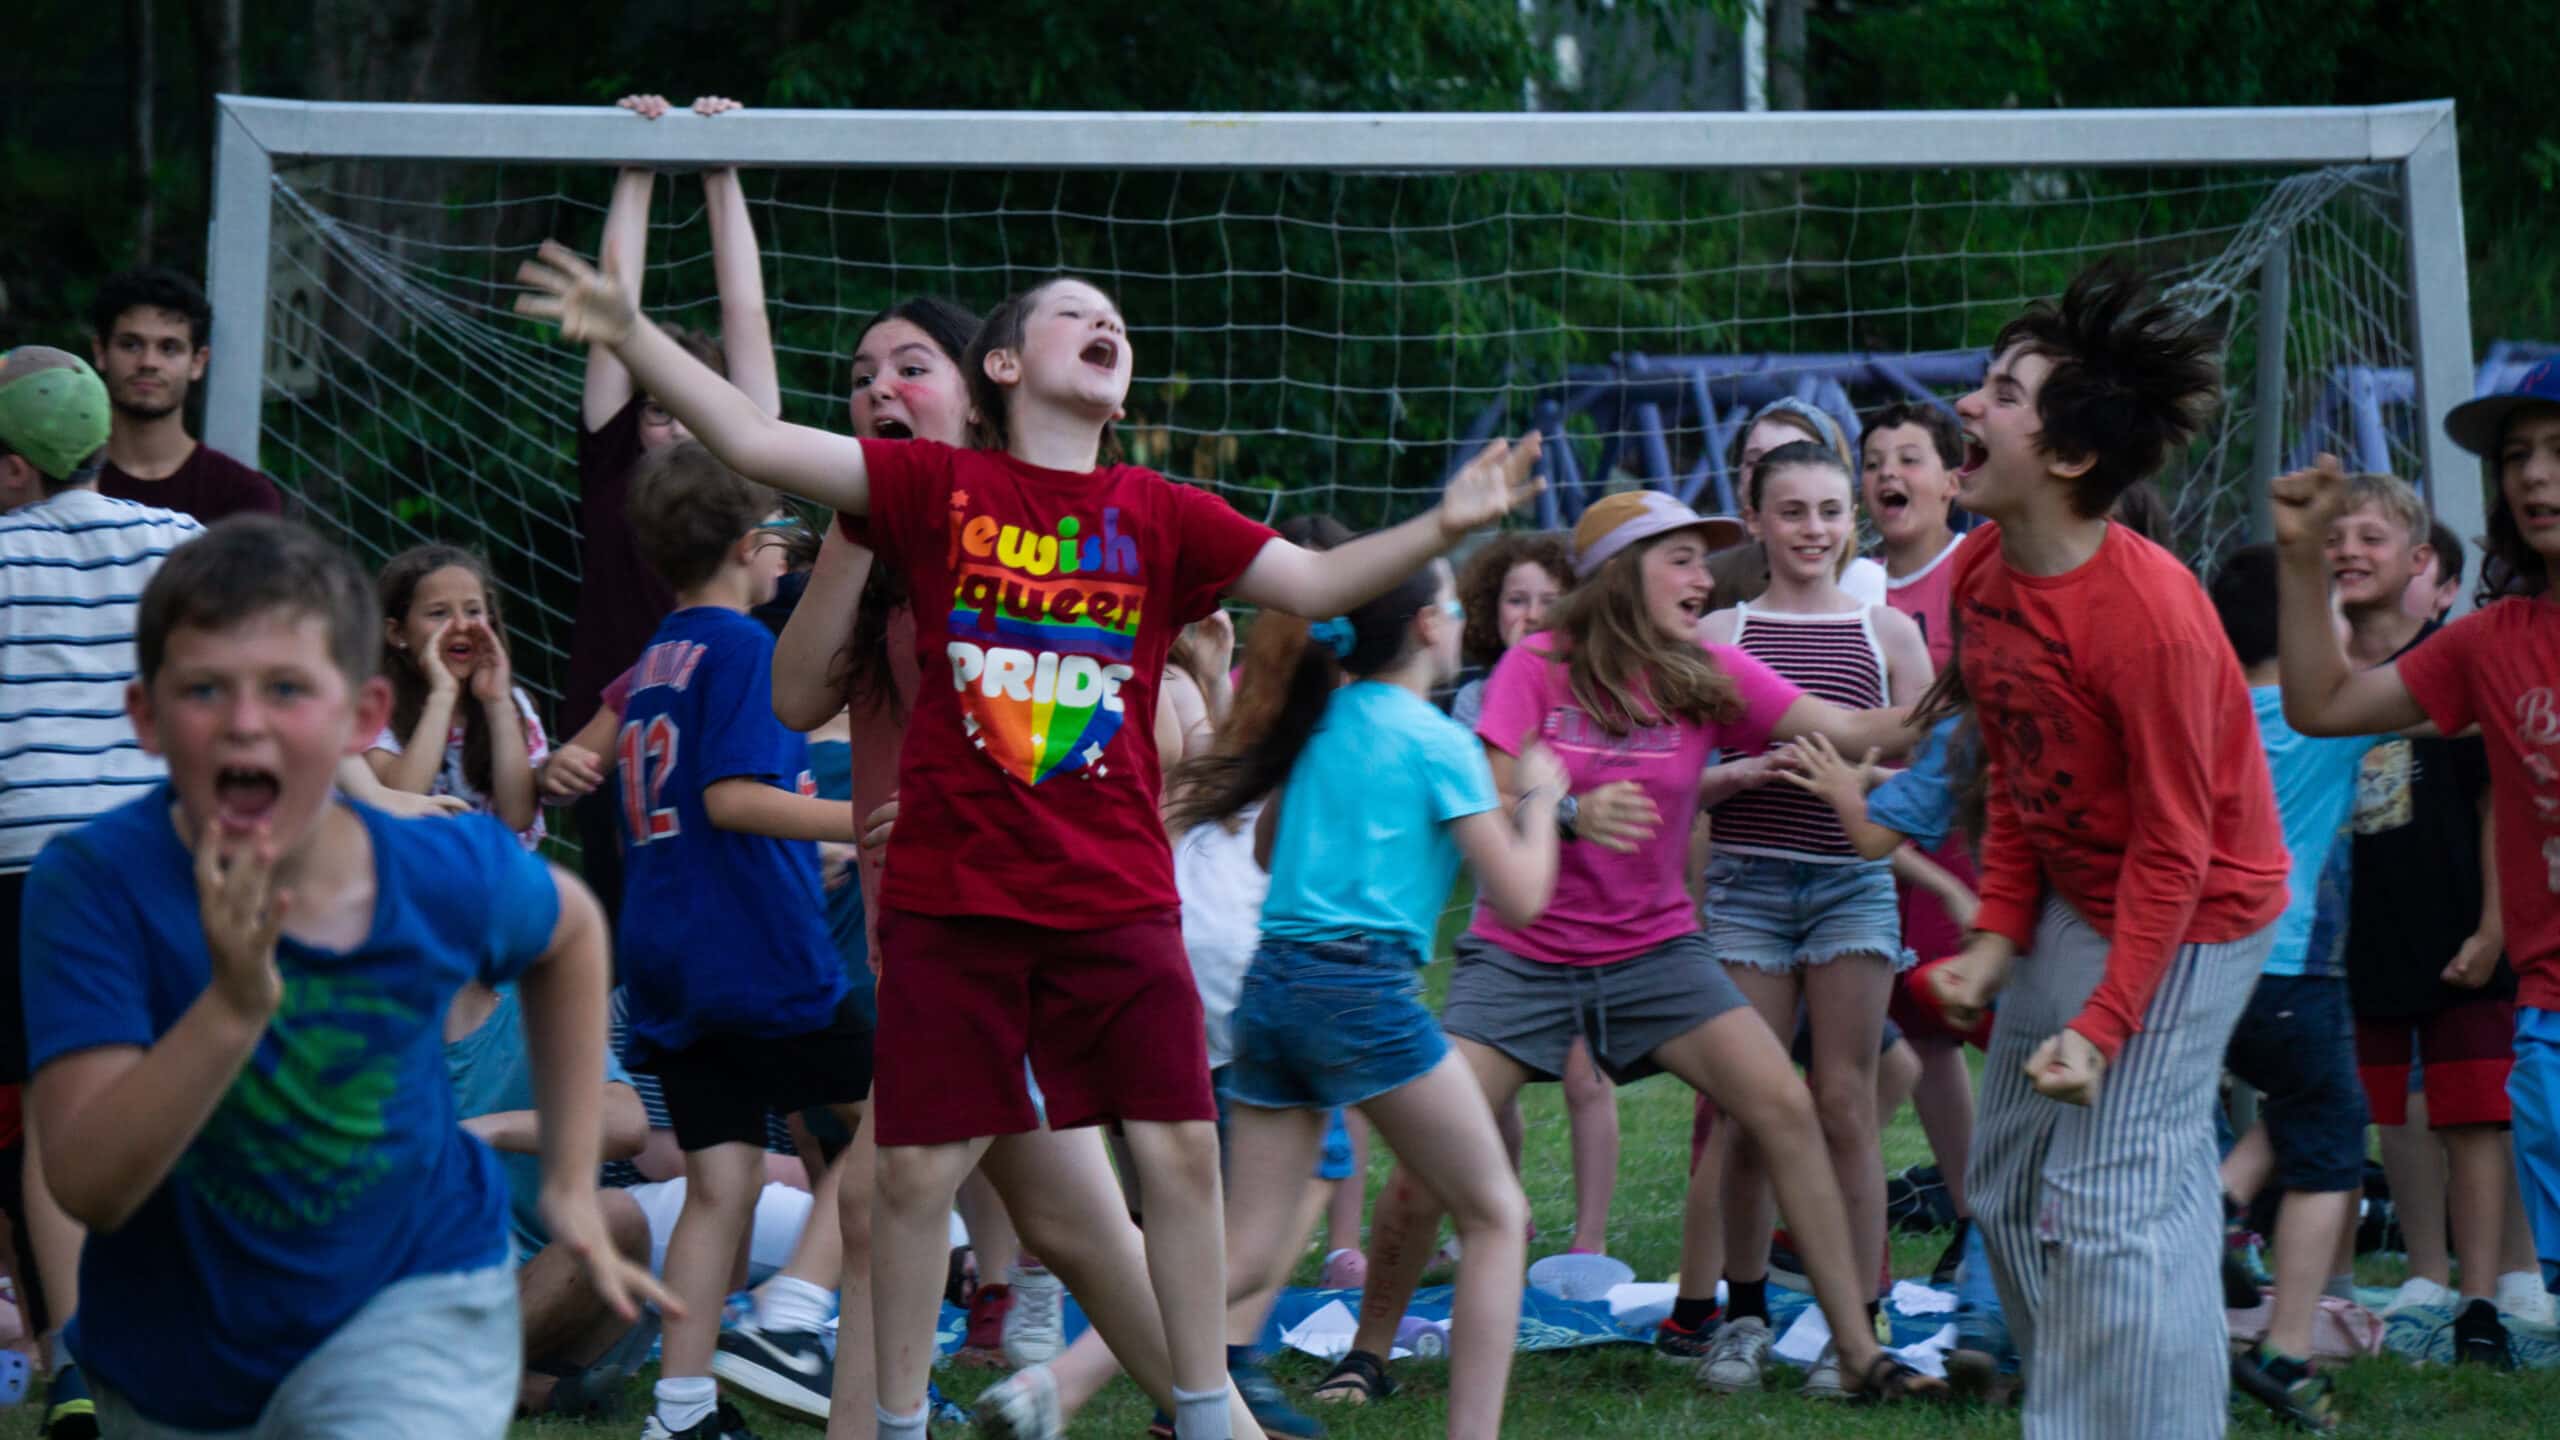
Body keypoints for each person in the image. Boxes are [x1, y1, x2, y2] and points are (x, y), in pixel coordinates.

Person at [517, 240, 1545, 1440]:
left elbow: (1314, 584)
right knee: (907, 1176)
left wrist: (1447, 521)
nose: (1106, 324)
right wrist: (630, 334)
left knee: (1173, 1154)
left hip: (1115, 900)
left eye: (1115, 318)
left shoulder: (1161, 513)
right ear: (1003, 362)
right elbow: (752, 444)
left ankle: (1204, 1408)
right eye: (1075, 313)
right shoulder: (931, 491)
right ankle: (894, 1416)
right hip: (955, 902)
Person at [18, 515, 667, 1438]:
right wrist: (231, 1011)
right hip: (177, 1349)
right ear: (147, 717)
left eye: (287, 689)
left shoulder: (429, 865)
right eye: (206, 690)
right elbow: (88, 1185)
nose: (248, 724)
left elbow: (569, 931)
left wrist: (567, 1178)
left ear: (363, 717)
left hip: (413, 1304)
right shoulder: (92, 885)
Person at [1313, 490, 1942, 1409]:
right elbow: (1485, 795)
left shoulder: (1704, 670)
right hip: (1523, 956)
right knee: (1431, 1161)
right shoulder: (1539, 665)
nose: (1703, 578)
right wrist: (1569, 812)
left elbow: (1850, 729)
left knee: (1783, 1108)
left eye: (1703, 559)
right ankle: (1366, 1354)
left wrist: (1970, 692)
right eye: (1680, 558)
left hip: (1656, 955)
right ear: (1619, 573)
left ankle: (1857, 1351)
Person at [1925, 265, 2289, 1440]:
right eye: (1983, 385)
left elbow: (2178, 857)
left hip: (2196, 914)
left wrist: (2101, 1026)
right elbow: (2026, 773)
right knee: (2006, 1185)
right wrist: (1993, 930)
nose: (1969, 410)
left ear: (2070, 459)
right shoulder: (1980, 575)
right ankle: (2120, 1404)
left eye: (2004, 395)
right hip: (2084, 893)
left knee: (2106, 1195)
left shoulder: (2153, 619)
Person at [1181, 555, 1561, 1440]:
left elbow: (1270, 854)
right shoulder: (1441, 743)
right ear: (1430, 626)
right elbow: (1522, 898)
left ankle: (1062, 1386)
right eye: (1456, 603)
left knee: (1247, 1256)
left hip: (1271, 990)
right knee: (1497, 1212)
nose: (1465, 618)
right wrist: (1541, 801)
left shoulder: (1318, 723)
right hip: (1360, 992)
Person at [2270, 357, 2560, 1374]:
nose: (2532, 476)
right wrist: (2305, 564)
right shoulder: (2491, 640)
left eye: (2557, 452)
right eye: (2517, 456)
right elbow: (2322, 707)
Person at [608, 443, 870, 1440]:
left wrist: (804, 847)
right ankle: (792, 1315)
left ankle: (678, 1412)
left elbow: (700, 807)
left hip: (670, 951)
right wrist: (853, 822)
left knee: (720, 1177)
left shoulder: (657, 658)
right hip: (753, 953)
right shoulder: (747, 648)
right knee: (910, 1112)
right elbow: (734, 799)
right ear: (745, 543)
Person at [1698, 439, 1932, 1396]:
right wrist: (1746, 773)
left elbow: (1926, 776)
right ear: (1754, 519)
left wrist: (1849, 778)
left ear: (1854, 521)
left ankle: (1854, 1330)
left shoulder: (1891, 634)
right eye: (1792, 512)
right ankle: (1742, 1318)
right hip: (1747, 886)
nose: (1814, 531)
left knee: (1843, 1103)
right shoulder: (1721, 633)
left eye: (1831, 512)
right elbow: (1680, 780)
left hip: (1849, 884)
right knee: (1755, 1110)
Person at [0, 345, 204, 1438]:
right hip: (158, 854)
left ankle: (75, 1363)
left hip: (25, 864)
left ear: (17, 468)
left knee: (52, 1115)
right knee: (179, 1095)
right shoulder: (180, 542)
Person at [2326, 474, 2535, 1351]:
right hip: (2369, 934)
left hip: (2463, 927)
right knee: (2391, 1105)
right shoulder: (2326, 679)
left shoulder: (2456, 657)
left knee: (2477, 1106)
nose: (2347, 552)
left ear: (2419, 561)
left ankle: (2493, 1290)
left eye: (2370, 539)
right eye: (2336, 539)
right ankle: (2425, 1275)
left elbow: (2500, 805)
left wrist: (2494, 927)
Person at [560, 93, 771, 930]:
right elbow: (616, 314)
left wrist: (721, 170)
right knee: (625, 935)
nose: (675, 420)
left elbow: (745, 319)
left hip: (728, 738)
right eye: (656, 407)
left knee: (731, 914)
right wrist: (637, 164)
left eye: (693, 405)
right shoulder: (613, 469)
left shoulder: (751, 466)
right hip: (613, 744)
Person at [2205, 544, 2377, 1431]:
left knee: (2312, 1110)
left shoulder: (2214, 710)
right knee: (2331, 1158)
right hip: (2295, 969)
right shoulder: (2329, 717)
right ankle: (2287, 1350)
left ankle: (2219, 1217)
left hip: (2212, 972)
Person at [1449, 531, 1620, 1260]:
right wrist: (1569, 808)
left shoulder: (1596, 688)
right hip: (1507, 918)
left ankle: (1588, 1242)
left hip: (1590, 912)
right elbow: (1489, 788)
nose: (1531, 613)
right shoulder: (1475, 699)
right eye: (1517, 600)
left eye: (1550, 602)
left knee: (1587, 1077)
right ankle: (1502, 1212)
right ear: (1493, 610)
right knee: (1492, 1083)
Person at [1858, 400, 1982, 1275]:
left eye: (1909, 457)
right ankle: (1972, 1217)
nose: (1888, 474)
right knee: (1915, 1036)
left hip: (1956, 837)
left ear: (1952, 478)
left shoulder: (1979, 569)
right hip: (1861, 835)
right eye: (1873, 461)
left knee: (1975, 1017)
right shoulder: (1848, 581)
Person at [443, 979, 657, 1416]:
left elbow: (627, 1122)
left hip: (534, 1295)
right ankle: (533, 1391)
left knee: (619, 1217)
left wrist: (493, 1129)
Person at [368, 545, 549, 845]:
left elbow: (517, 817)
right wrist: (443, 694)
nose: (461, 625)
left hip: (494, 883)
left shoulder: (512, 706)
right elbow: (401, 801)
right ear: (397, 633)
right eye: (439, 613)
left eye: (473, 611)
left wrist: (497, 701)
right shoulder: (374, 710)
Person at [86, 267, 283, 524]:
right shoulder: (58, 482)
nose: (148, 362)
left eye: (169, 348)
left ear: (198, 362)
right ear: (101, 352)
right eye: (131, 345)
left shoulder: (244, 498)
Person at [1707, 397, 1889, 610]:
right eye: (1753, 462)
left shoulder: (1860, 580)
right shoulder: (1711, 578)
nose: (1764, 475)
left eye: (1789, 459)